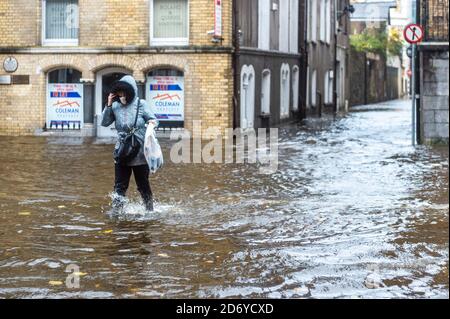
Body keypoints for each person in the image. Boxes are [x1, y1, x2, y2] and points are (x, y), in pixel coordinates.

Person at [102, 75, 158, 212]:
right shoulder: (115, 106)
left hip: (140, 152)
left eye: (124, 91)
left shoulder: (141, 104)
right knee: (119, 185)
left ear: (131, 90)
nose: (121, 95)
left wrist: (151, 124)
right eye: (119, 92)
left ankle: (149, 210)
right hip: (122, 151)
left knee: (143, 184)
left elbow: (154, 120)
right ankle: (117, 211)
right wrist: (108, 104)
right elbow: (104, 123)